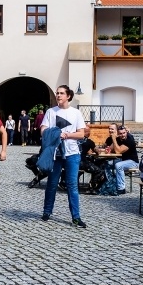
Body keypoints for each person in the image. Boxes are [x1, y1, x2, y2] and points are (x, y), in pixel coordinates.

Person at [40, 85, 87, 228]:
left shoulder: (76, 113)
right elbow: (43, 130)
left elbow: (81, 133)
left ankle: (76, 217)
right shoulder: (50, 112)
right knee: (52, 184)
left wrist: (67, 135)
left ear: (68, 96)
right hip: (55, 153)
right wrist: (56, 134)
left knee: (72, 185)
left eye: (61, 93)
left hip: (72, 153)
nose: (58, 95)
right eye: (57, 93)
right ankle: (47, 211)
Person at [104, 123, 139, 195]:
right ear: (118, 133)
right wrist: (113, 140)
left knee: (118, 165)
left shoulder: (129, 140)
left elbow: (118, 151)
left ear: (126, 132)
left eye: (124, 133)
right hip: (122, 160)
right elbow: (109, 150)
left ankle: (121, 188)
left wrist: (114, 139)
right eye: (121, 133)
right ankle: (109, 184)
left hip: (133, 162)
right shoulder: (118, 139)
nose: (123, 135)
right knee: (105, 163)